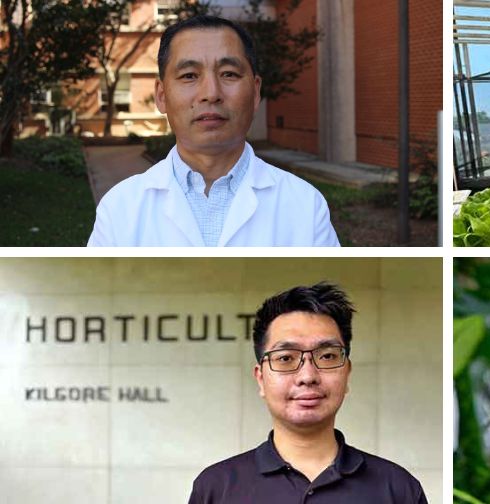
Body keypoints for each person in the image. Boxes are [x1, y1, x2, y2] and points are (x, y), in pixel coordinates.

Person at [88, 15, 339, 246]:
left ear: (255, 92)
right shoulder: (119, 208)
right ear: (162, 95)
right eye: (189, 75)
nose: (211, 93)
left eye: (228, 74)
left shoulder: (305, 205)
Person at [189, 283, 427, 503]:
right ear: (261, 378)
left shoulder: (398, 489)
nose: (307, 376)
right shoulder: (216, 488)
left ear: (347, 373)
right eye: (285, 358)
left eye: (327, 356)